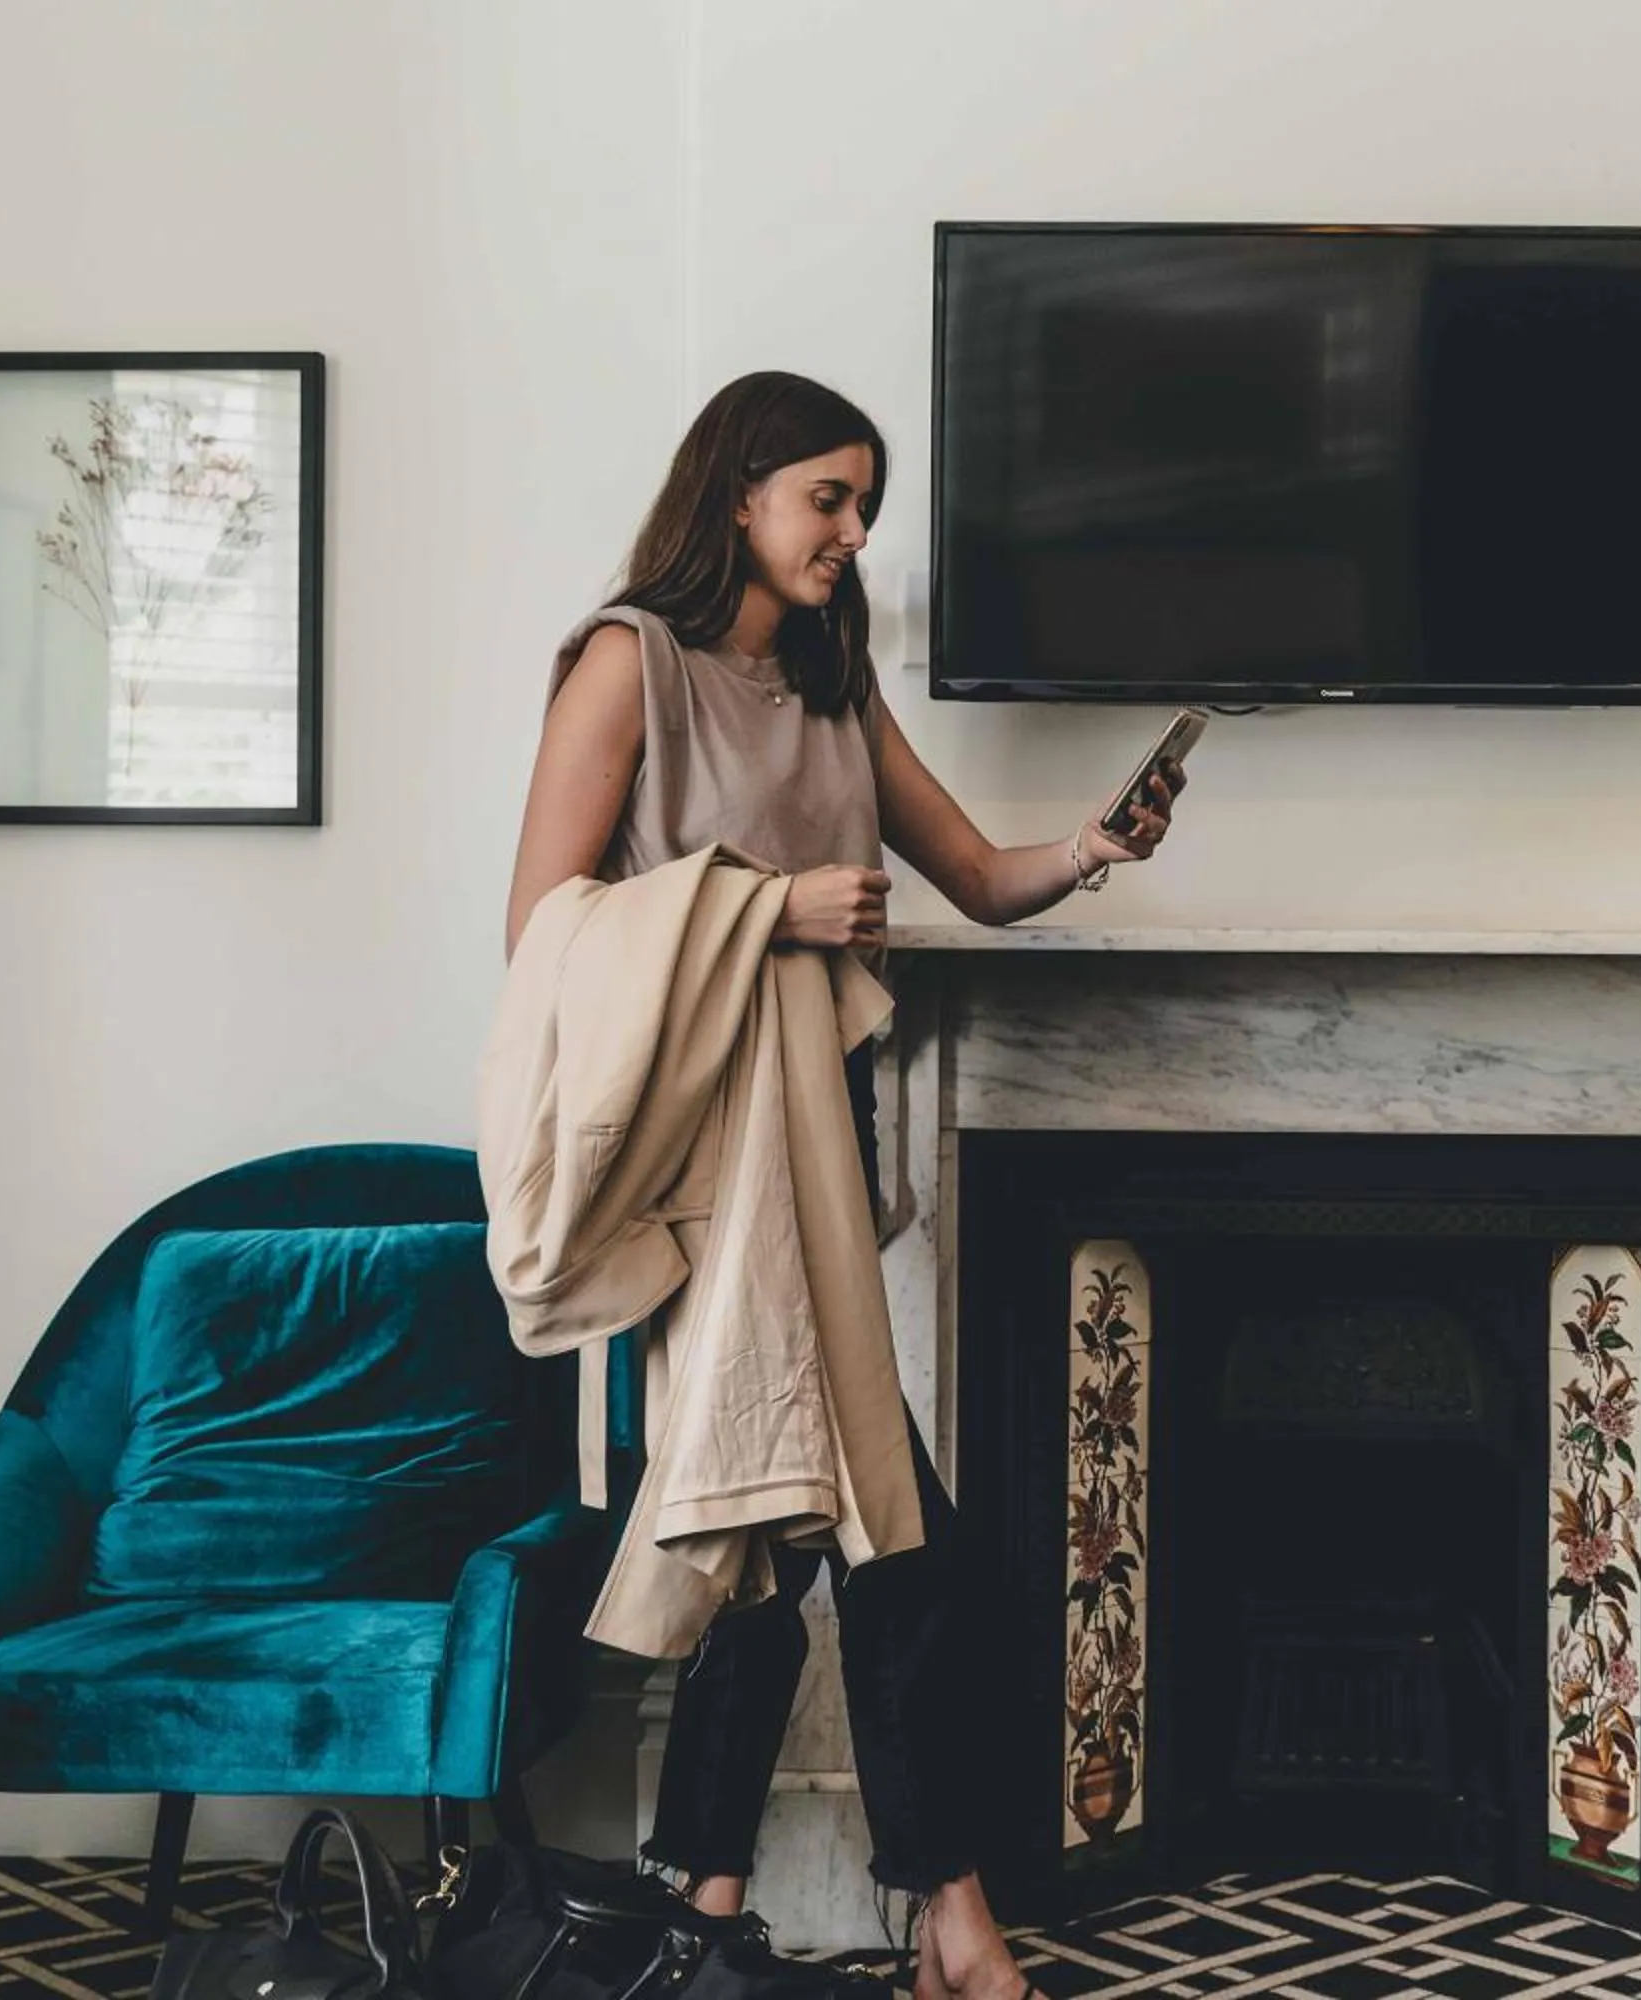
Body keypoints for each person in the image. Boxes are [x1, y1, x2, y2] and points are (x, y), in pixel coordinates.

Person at [502, 371, 1185, 2000]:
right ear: (738, 492)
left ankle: (708, 1909)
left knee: (783, 1536)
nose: (855, 532)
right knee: (883, 1540)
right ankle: (949, 1921)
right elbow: (539, 930)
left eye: (865, 503)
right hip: (698, 1185)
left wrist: (1091, 846)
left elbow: (977, 877)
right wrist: (766, 913)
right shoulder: (629, 664)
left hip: (822, 1152)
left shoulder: (830, 682)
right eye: (831, 497)